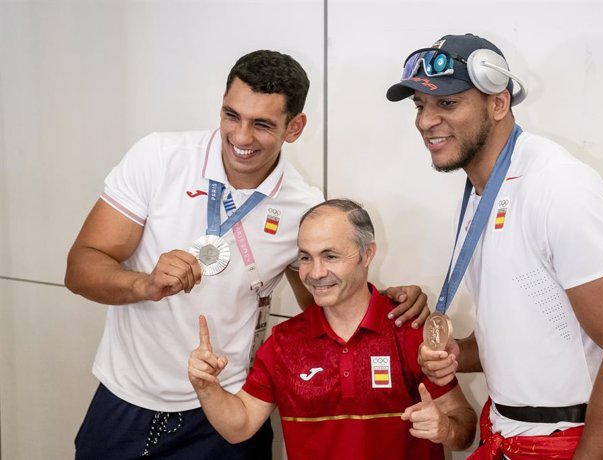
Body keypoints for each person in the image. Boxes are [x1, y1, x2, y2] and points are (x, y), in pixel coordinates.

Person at [65, 50, 429, 459]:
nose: (240, 137)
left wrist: (392, 305)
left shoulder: (302, 205)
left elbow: (326, 304)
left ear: (294, 127)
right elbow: (81, 267)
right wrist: (143, 283)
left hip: (227, 410)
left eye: (261, 124)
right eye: (231, 115)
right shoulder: (158, 157)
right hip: (126, 397)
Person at [386, 34, 603, 459]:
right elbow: (532, 323)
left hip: (571, 441)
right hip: (506, 435)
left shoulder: (560, 187)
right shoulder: (482, 190)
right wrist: (458, 353)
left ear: (498, 104)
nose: (426, 121)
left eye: (447, 104)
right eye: (420, 106)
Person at [188, 199, 477, 459]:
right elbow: (239, 427)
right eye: (305, 257)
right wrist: (207, 387)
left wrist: (445, 429)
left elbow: (463, 425)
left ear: (367, 254)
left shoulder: (408, 328)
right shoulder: (283, 342)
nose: (315, 273)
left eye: (330, 256)